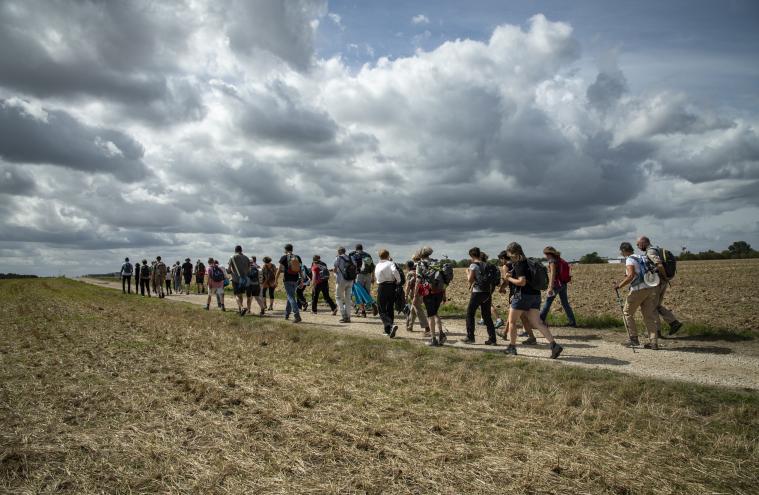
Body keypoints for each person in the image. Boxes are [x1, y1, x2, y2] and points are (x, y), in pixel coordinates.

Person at [502, 242, 563, 358]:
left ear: (512, 252)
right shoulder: (529, 262)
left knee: (512, 322)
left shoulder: (519, 264)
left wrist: (509, 278)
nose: (509, 256)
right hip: (535, 295)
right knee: (538, 323)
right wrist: (513, 274)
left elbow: (522, 282)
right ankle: (554, 345)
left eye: (509, 253)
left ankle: (512, 347)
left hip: (522, 296)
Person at [615, 242, 660, 349]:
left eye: (621, 251)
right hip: (649, 288)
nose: (621, 253)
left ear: (624, 250)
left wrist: (619, 285)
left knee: (627, 313)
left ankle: (633, 339)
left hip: (637, 290)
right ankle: (654, 342)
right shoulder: (642, 257)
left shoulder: (629, 259)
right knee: (649, 316)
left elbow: (631, 275)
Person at [637, 236, 683, 336]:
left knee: (652, 306)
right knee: (656, 305)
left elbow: (659, 264)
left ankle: (656, 332)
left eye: (638, 244)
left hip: (657, 282)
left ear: (644, 243)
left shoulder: (650, 252)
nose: (638, 246)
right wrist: (665, 278)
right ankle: (674, 323)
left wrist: (665, 276)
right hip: (662, 282)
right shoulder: (657, 249)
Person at [497, 251, 537, 345]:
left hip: (515, 292)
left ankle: (507, 335)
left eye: (501, 259)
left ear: (503, 258)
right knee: (521, 316)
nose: (501, 261)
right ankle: (531, 337)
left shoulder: (506, 266)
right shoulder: (516, 264)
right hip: (524, 291)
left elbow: (506, 281)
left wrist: (501, 289)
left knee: (515, 316)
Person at [463, 247, 497, 345]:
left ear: (472, 255)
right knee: (487, 316)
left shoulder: (473, 265)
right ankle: (492, 339)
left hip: (477, 292)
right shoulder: (487, 265)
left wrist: (467, 272)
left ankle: (470, 337)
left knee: (470, 314)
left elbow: (470, 280)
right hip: (487, 293)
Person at [539, 246, 577, 327]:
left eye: (546, 254)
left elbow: (552, 274)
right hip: (563, 284)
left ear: (549, 254)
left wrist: (550, 287)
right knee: (565, 303)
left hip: (556, 285)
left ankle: (540, 321)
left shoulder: (552, 261)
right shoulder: (559, 259)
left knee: (547, 303)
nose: (545, 256)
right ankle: (572, 322)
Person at [416, 246, 447, 346]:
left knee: (430, 315)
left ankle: (433, 339)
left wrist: (416, 294)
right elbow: (442, 278)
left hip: (428, 291)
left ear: (421, 254)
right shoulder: (436, 262)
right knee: (435, 313)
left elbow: (418, 280)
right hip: (439, 291)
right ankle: (441, 334)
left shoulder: (420, 264)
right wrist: (444, 293)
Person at [374, 249, 402, 338]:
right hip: (391, 286)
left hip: (382, 286)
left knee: (381, 308)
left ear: (379, 256)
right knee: (390, 307)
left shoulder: (378, 265)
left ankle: (390, 325)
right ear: (388, 255)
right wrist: (398, 280)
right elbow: (395, 271)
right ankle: (388, 330)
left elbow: (376, 276)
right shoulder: (390, 263)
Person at [274, 244, 303, 323]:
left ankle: (297, 315)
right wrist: (302, 280)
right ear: (292, 249)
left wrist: (275, 280)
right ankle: (287, 314)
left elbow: (279, 270)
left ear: (285, 250)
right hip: (295, 279)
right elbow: (300, 270)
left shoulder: (284, 257)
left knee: (291, 297)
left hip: (287, 280)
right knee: (290, 296)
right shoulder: (297, 257)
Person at [477, 252, 505, 330]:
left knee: (487, 303)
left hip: (485, 287)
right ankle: (483, 319)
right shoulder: (491, 265)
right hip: (491, 286)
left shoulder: (482, 266)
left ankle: (498, 319)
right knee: (482, 302)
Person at [350, 244, 378, 318]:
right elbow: (372, 267)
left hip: (359, 275)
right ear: (362, 248)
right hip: (368, 275)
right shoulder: (367, 255)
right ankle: (370, 305)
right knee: (366, 292)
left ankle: (363, 312)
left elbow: (352, 267)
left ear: (356, 249)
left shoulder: (354, 255)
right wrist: (373, 277)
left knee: (359, 293)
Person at [404, 258, 429, 333]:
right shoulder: (417, 272)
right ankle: (410, 326)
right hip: (421, 292)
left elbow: (408, 285)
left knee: (418, 310)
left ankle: (427, 327)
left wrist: (406, 295)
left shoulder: (410, 273)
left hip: (414, 293)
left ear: (407, 266)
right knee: (413, 310)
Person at [334, 246, 356, 323]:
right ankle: (349, 317)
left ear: (339, 252)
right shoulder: (351, 258)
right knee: (348, 299)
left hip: (341, 280)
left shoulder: (338, 258)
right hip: (350, 280)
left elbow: (335, 268)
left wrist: (336, 273)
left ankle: (344, 315)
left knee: (338, 297)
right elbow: (355, 267)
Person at [228, 245, 251, 316]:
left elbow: (229, 270)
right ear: (241, 250)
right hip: (243, 279)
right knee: (241, 295)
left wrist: (231, 272)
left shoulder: (232, 257)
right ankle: (240, 310)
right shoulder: (247, 258)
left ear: (235, 250)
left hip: (235, 279)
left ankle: (242, 307)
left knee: (236, 295)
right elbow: (248, 270)